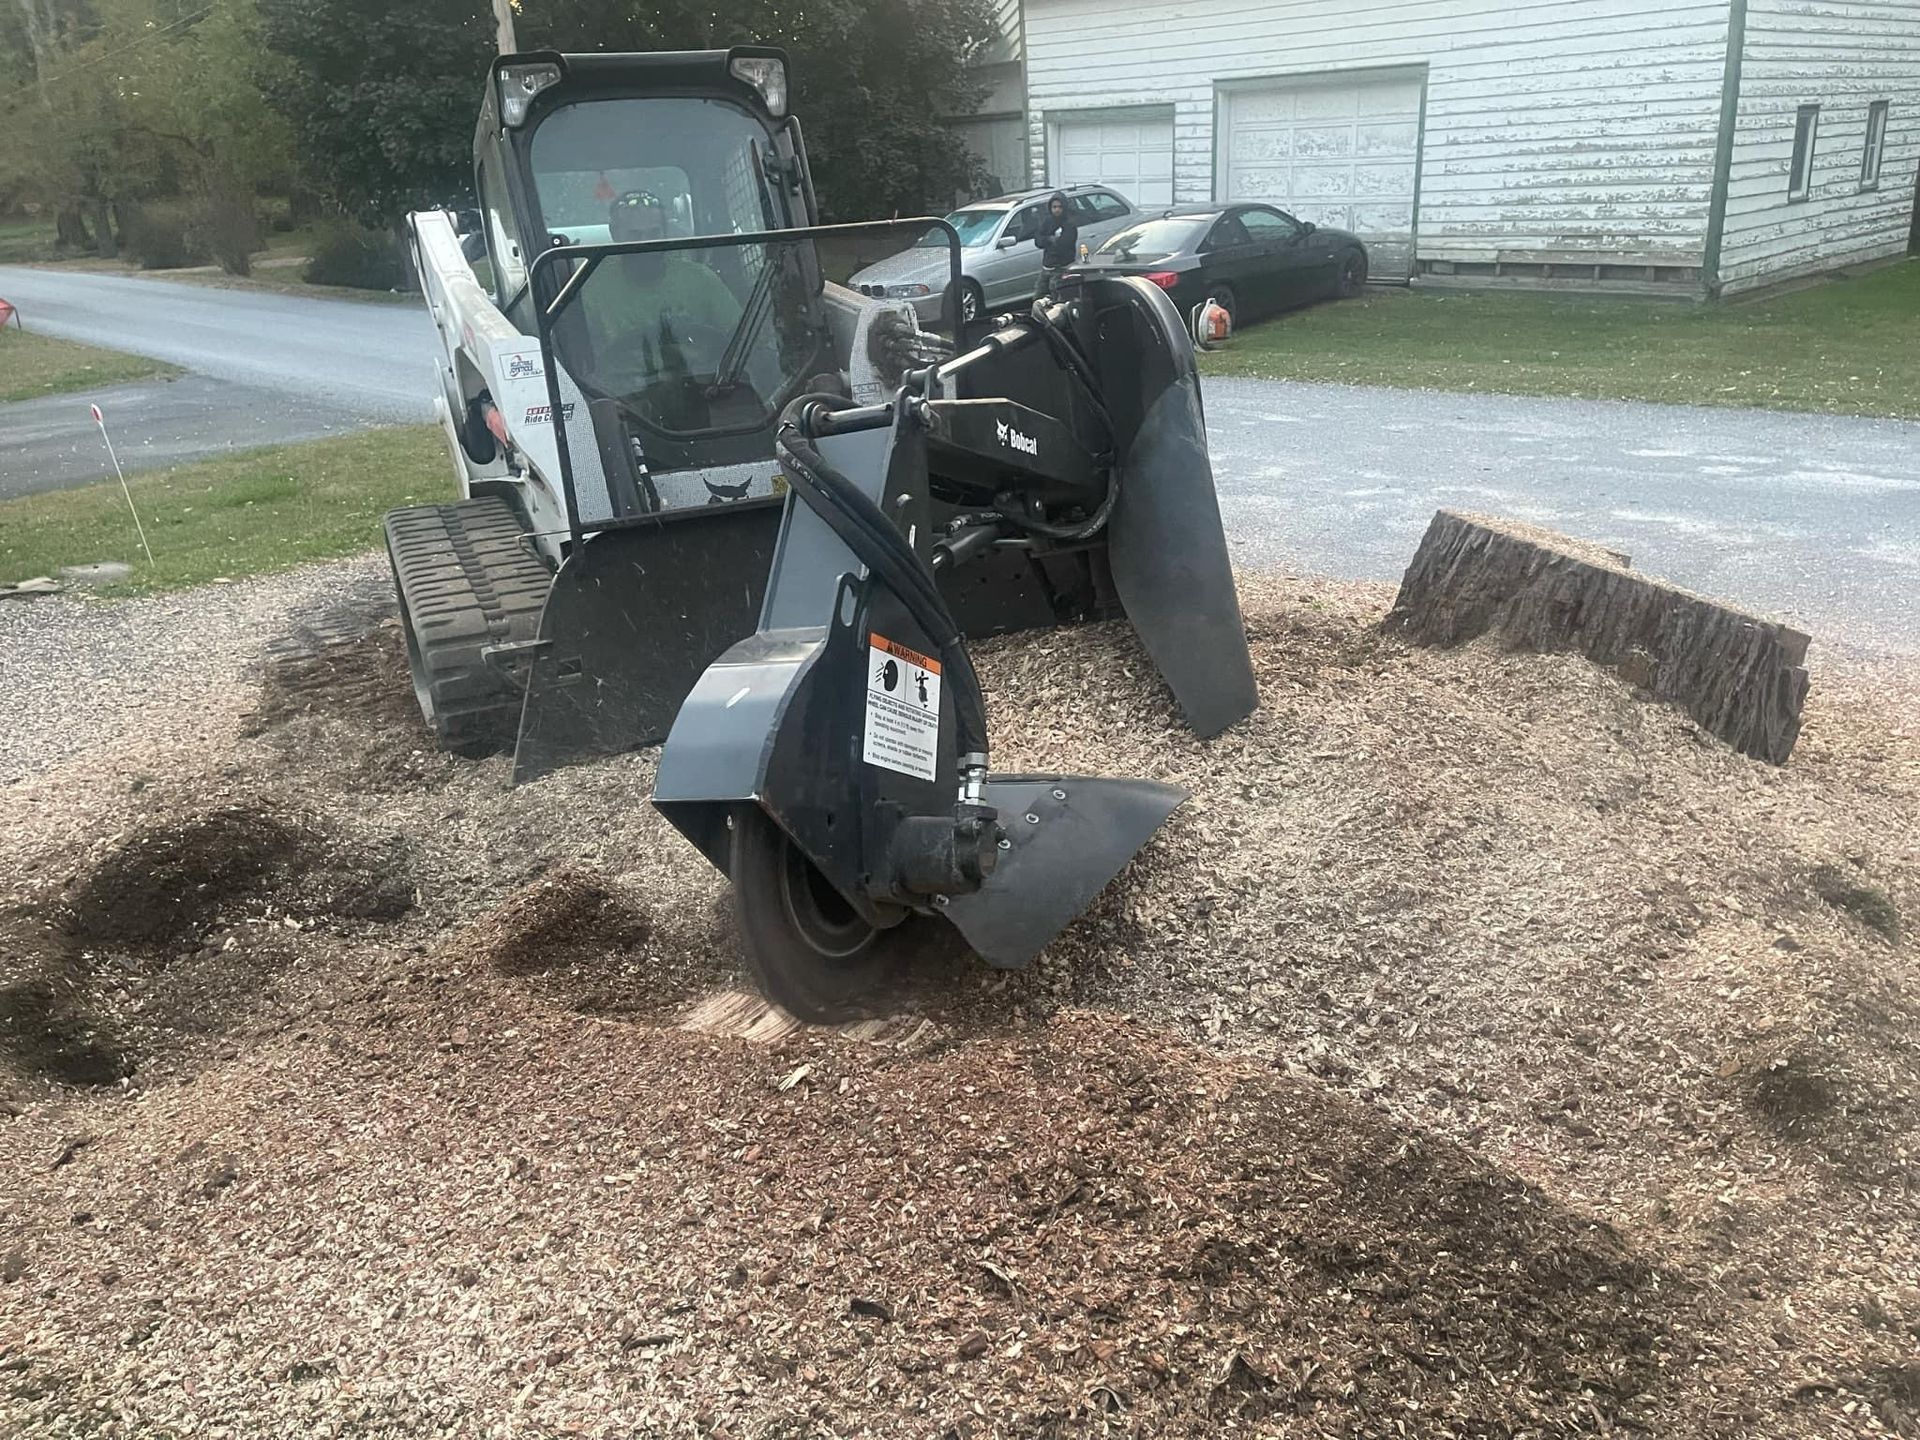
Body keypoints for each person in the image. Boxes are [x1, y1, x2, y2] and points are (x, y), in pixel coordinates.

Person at [590, 190, 743, 383]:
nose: (645, 244)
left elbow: (741, 338)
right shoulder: (592, 289)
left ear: (665, 232)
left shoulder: (699, 280)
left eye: (654, 233)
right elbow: (583, 362)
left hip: (702, 386)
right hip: (625, 392)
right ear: (615, 234)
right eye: (635, 235)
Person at [1033, 191, 1078, 298]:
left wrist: (1051, 241)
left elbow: (1065, 244)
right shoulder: (1047, 222)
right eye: (1054, 207)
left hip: (1062, 268)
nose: (1057, 210)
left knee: (1057, 296)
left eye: (1060, 207)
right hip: (1047, 267)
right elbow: (1038, 240)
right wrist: (1049, 239)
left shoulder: (1069, 224)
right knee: (1038, 296)